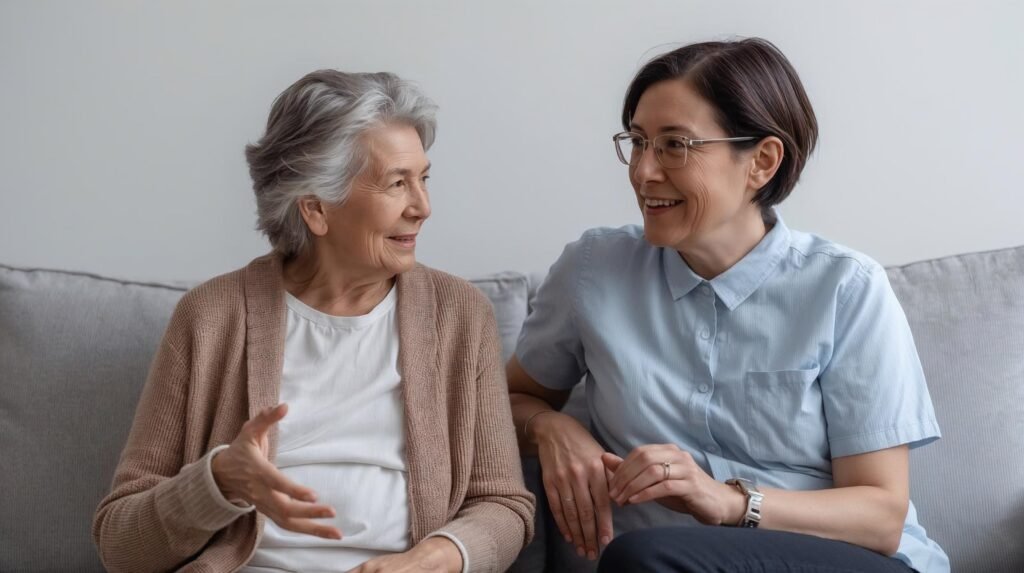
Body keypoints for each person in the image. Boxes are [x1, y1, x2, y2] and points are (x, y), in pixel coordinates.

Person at [507, 38, 948, 572]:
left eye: (675, 145)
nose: (644, 171)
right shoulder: (595, 270)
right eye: (639, 141)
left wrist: (729, 502)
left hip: (841, 561)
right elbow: (508, 400)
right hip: (666, 565)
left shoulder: (846, 288)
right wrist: (553, 429)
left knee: (642, 558)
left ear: (761, 161)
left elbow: (879, 515)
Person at [93, 70, 534, 573]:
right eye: (397, 183)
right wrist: (218, 482)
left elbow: (504, 504)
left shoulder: (458, 314)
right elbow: (121, 548)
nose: (423, 207)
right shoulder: (211, 317)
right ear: (316, 209)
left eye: (424, 178)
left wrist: (437, 558)